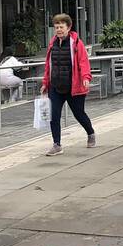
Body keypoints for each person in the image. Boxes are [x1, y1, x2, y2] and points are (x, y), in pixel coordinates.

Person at [40, 13, 95, 154]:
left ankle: (90, 133)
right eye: (56, 27)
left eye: (61, 27)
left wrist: (86, 77)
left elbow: (83, 62)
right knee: (54, 116)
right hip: (56, 86)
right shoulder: (52, 44)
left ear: (68, 27)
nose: (58, 29)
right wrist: (45, 82)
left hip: (73, 86)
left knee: (79, 114)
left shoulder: (76, 43)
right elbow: (48, 64)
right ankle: (57, 144)